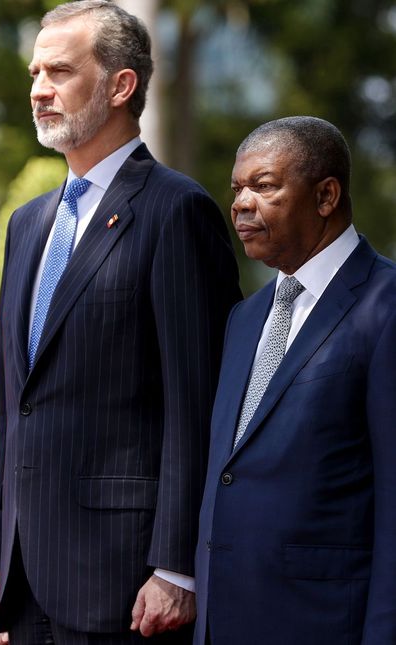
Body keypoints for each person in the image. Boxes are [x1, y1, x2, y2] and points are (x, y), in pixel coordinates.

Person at [0, 2, 242, 643]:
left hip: (128, 582)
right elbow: (18, 404)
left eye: (61, 71)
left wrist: (178, 566)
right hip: (28, 577)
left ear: (121, 85)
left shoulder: (176, 210)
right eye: (35, 72)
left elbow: (198, 399)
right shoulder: (27, 223)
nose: (39, 89)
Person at [193, 116, 396, 645]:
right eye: (236, 189)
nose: (240, 205)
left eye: (263, 186)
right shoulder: (244, 318)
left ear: (326, 195)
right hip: (223, 621)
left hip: (325, 623)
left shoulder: (387, 305)